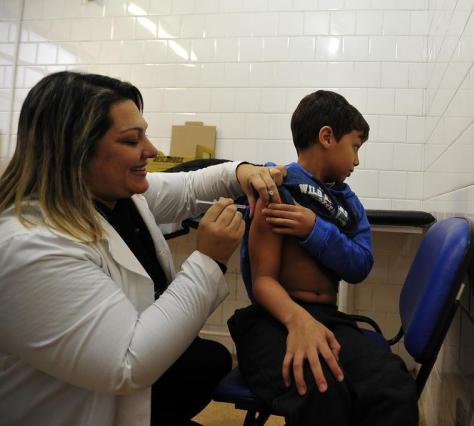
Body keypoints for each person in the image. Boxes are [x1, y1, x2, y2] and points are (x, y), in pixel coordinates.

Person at [0, 71, 284, 426]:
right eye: (132, 141)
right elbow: (127, 364)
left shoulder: (113, 195)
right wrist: (209, 259)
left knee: (207, 359)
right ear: (77, 150)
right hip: (77, 412)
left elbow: (188, 187)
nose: (152, 151)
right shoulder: (29, 248)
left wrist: (241, 172)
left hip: (132, 403)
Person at [228, 90, 418, 425]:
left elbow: (360, 265)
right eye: (356, 147)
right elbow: (262, 281)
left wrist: (313, 228)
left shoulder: (350, 206)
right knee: (320, 390)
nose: (357, 161)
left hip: (328, 319)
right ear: (327, 137)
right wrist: (298, 321)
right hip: (273, 318)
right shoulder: (276, 189)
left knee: (393, 385)